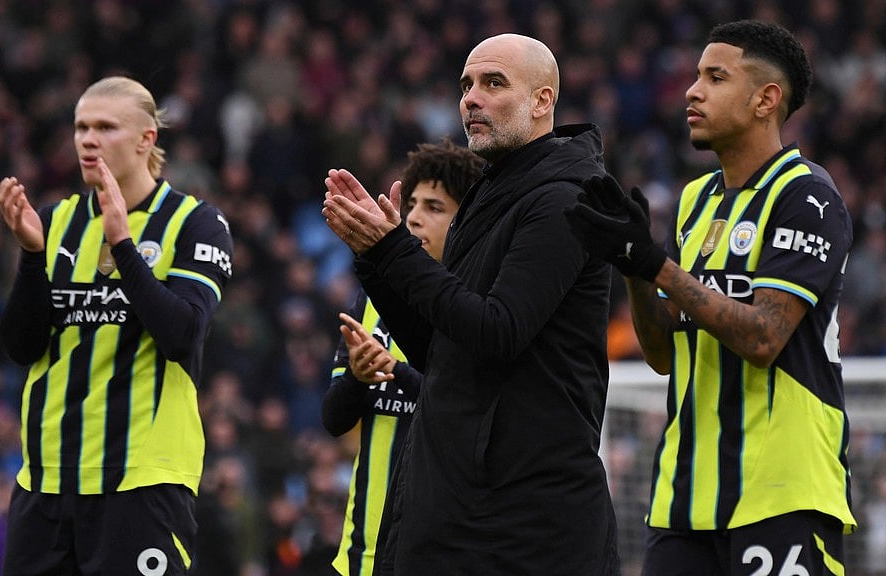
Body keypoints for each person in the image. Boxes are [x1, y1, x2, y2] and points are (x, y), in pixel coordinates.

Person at [563, 20, 856, 575]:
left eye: (715, 77)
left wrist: (658, 266)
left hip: (781, 492)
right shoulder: (697, 200)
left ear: (766, 99)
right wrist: (634, 268)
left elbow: (765, 337)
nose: (692, 91)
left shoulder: (807, 196)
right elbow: (664, 355)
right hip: (685, 499)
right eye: (696, 76)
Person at [322, 34, 620, 575]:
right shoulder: (492, 193)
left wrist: (393, 252)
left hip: (524, 523)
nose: (471, 98)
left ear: (542, 102)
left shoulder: (566, 198)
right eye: (465, 85)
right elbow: (440, 351)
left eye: (493, 83)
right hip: (464, 510)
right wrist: (376, 260)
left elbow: (497, 331)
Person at [0, 76, 233, 575]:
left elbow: (182, 335)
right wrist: (32, 258)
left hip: (141, 481)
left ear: (147, 139)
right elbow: (22, 347)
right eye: (81, 127)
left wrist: (123, 246)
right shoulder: (54, 221)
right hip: (47, 479)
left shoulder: (194, 223)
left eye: (105, 127)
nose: (87, 139)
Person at [322, 138, 483, 576]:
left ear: (467, 220)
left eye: (434, 207)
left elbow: (465, 413)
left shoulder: (475, 308)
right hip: (360, 553)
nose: (413, 216)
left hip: (439, 555)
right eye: (411, 203)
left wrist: (397, 372)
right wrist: (357, 376)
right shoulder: (373, 298)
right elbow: (334, 420)